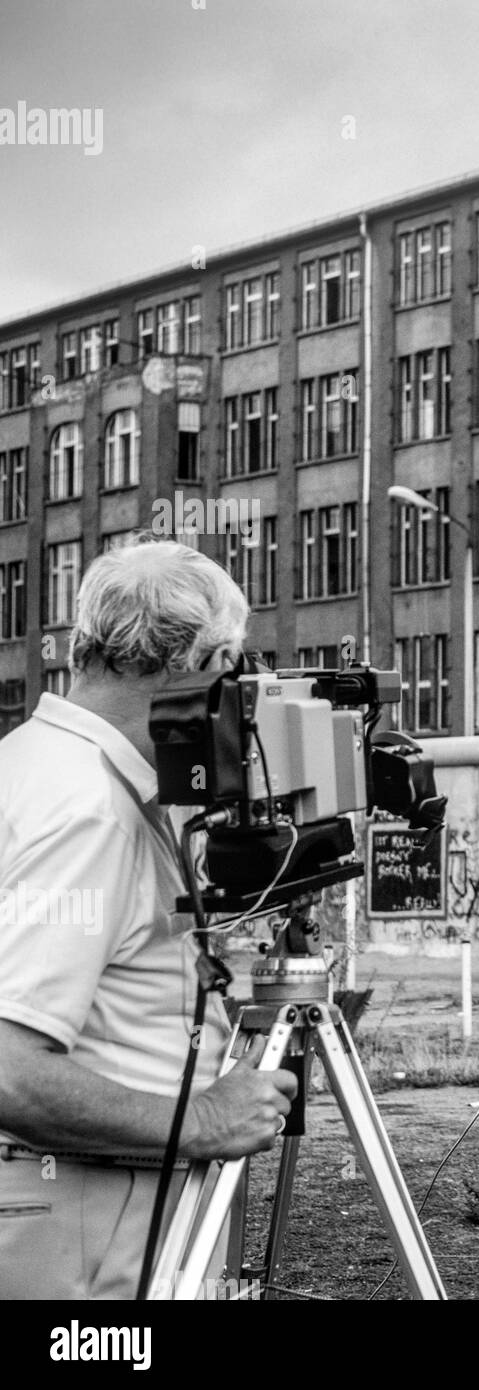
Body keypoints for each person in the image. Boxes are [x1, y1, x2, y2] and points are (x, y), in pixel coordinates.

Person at [0, 537, 297, 1299]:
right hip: (82, 1224)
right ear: (195, 665)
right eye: (234, 670)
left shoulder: (33, 762)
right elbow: (10, 1070)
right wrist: (201, 1118)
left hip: (75, 1206)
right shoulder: (88, 811)